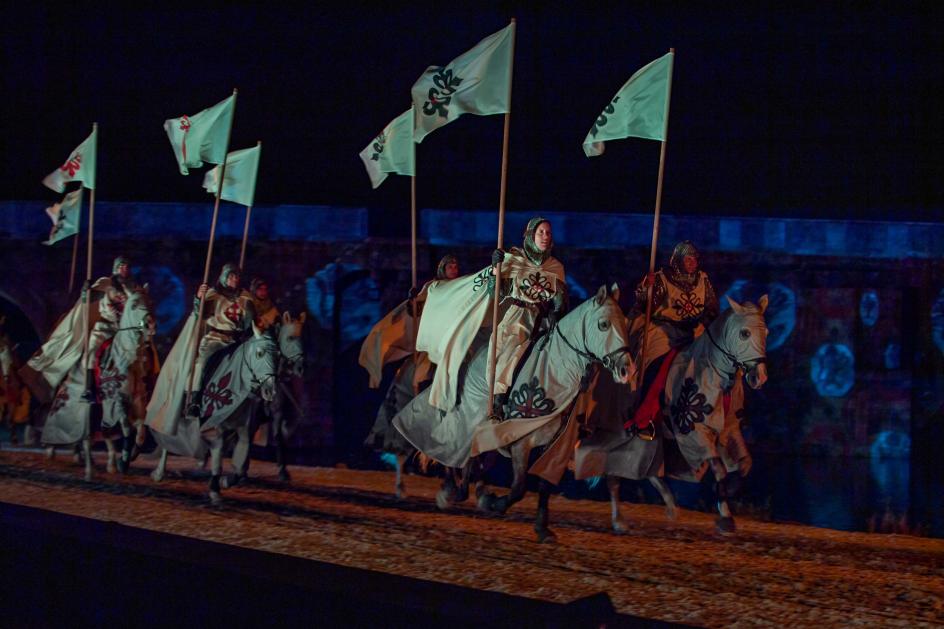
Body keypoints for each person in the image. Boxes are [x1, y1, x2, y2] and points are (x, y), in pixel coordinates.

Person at [417, 217, 566, 420]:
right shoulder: (514, 260)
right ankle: (498, 402)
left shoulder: (555, 267)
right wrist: (497, 269)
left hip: (543, 319)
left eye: (548, 233)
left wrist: (556, 314)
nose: (545, 236)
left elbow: (560, 298)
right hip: (517, 318)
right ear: (531, 235)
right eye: (541, 232)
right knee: (507, 353)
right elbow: (494, 292)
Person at [627, 240, 719, 437]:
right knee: (656, 365)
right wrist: (646, 290)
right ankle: (643, 416)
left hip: (694, 332)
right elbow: (645, 306)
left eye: (694, 259)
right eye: (688, 259)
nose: (692, 263)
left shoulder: (703, 280)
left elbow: (712, 310)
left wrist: (705, 325)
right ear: (678, 260)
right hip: (663, 329)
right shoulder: (661, 278)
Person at [187, 263, 255, 419]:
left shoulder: (245, 297)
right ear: (224, 277)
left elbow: (250, 322)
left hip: (236, 341)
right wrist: (199, 298)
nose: (235, 279)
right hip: (216, 338)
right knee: (204, 362)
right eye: (231, 276)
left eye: (237, 276)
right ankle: (196, 400)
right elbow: (200, 313)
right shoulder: (213, 294)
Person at [80, 256, 139, 402]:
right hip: (106, 327)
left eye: (126, 267)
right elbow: (87, 298)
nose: (124, 269)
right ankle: (89, 389)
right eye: (121, 266)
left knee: (146, 353)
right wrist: (85, 290)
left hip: (126, 329)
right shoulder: (106, 283)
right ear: (115, 268)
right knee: (91, 351)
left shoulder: (133, 287)